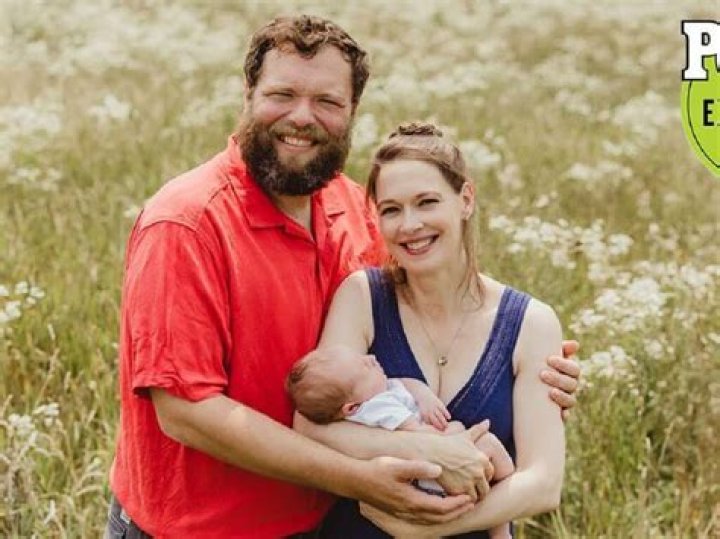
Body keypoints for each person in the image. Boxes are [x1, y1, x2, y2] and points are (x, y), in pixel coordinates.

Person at [105, 15, 581, 538]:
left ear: (352, 111)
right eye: (282, 94)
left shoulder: (354, 208)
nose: (301, 117)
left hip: (318, 524)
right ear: (248, 93)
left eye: (327, 102)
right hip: (196, 529)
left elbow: (427, 309)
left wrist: (527, 370)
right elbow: (185, 411)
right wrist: (363, 478)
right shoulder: (186, 223)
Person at [294, 122, 566, 537]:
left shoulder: (531, 323)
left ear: (466, 199)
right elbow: (312, 427)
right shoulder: (363, 297)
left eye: (427, 202)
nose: (410, 225)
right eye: (391, 210)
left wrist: (425, 528)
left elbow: (543, 484)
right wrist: (427, 448)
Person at [288, 345, 515, 539]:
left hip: (434, 472)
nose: (372, 358)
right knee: (490, 445)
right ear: (352, 408)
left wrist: (424, 396)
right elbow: (423, 439)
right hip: (430, 476)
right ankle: (501, 529)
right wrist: (455, 431)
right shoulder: (378, 409)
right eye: (365, 366)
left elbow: (406, 383)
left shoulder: (378, 390)